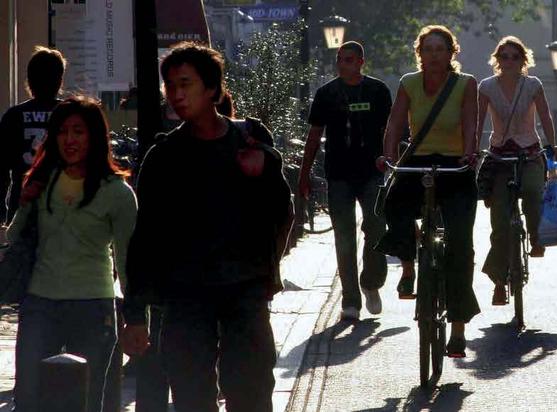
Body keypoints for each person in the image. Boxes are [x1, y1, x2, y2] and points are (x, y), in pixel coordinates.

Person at [120, 42, 293, 412]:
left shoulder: (249, 141)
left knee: (251, 393)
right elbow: (145, 238)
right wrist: (135, 314)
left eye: (186, 84)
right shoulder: (164, 156)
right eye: (171, 85)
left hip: (244, 289)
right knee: (191, 395)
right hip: (186, 295)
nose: (177, 95)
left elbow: (282, 211)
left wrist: (269, 269)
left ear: (212, 89)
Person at [9, 96, 137, 412]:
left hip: (93, 306)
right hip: (41, 301)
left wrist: (136, 320)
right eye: (63, 131)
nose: (70, 139)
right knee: (28, 397)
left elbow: (128, 262)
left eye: (79, 131)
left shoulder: (117, 192)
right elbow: (14, 238)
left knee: (89, 399)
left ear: (95, 136)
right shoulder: (42, 182)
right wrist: (25, 201)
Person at [374, 25, 480, 358]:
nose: (435, 55)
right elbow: (394, 124)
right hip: (418, 161)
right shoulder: (408, 83)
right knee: (393, 203)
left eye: (441, 49)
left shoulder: (466, 85)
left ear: (452, 53)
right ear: (419, 53)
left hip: (454, 166)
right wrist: (389, 155)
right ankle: (408, 265)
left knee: (460, 245)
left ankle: (459, 327)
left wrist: (470, 153)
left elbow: (471, 123)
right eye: (428, 49)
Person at [300, 41, 392, 321]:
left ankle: (371, 282)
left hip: (372, 171)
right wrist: (303, 174)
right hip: (338, 174)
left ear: (361, 61)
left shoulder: (377, 91)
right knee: (343, 237)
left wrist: (393, 163)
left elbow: (391, 129)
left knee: (376, 227)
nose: (343, 64)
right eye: (340, 60)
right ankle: (351, 299)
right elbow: (314, 135)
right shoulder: (326, 94)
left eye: (349, 60)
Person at [476, 36, 557, 307]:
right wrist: (474, 149)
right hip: (500, 155)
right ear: (497, 60)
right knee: (499, 223)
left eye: (515, 56)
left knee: (534, 193)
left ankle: (536, 238)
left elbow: (545, 116)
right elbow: (478, 122)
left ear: (524, 60)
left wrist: (552, 146)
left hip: (529, 152)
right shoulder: (486, 87)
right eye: (504, 56)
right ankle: (499, 282)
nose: (509, 61)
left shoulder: (532, 85)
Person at [0, 47, 66, 224]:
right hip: (64, 211)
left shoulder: (14, 116)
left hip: (21, 209)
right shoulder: (71, 115)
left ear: (29, 81)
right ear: (60, 81)